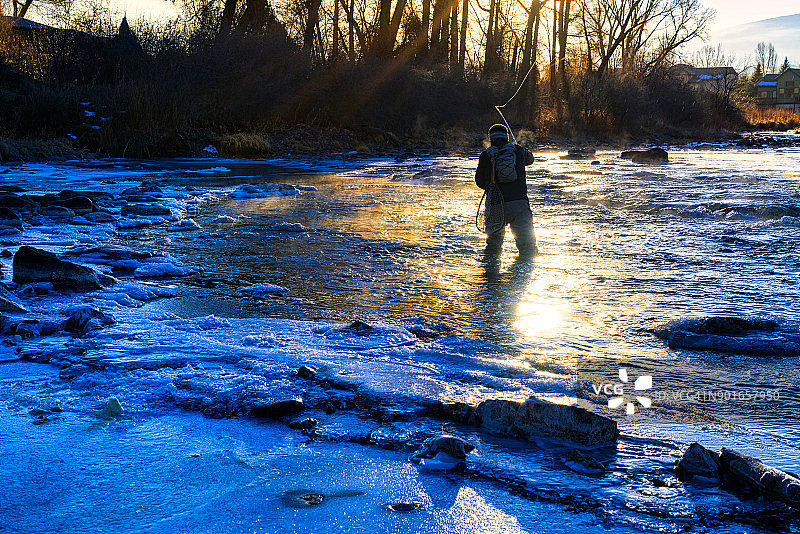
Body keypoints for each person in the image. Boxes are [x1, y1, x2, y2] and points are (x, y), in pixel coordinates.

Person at [474, 124, 537, 257]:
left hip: (495, 205)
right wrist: (520, 149)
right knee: (527, 248)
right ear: (507, 137)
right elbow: (530, 159)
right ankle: (525, 274)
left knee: (493, 248)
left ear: (491, 138)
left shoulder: (486, 155)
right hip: (519, 204)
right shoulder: (519, 152)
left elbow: (479, 182)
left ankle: (490, 276)